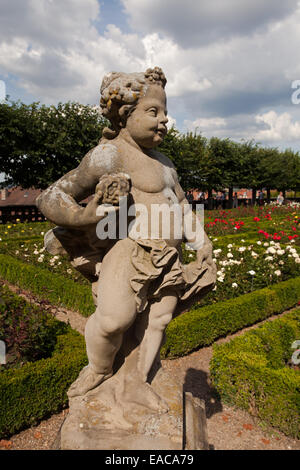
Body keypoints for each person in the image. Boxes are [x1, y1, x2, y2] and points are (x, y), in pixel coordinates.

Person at [36, 67, 216, 408]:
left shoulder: (165, 163)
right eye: (153, 112)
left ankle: (136, 382)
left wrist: (200, 241)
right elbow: (51, 196)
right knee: (114, 320)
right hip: (130, 250)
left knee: (157, 322)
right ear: (124, 114)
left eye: (165, 111)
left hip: (169, 259)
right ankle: (99, 369)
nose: (164, 119)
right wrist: (86, 216)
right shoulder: (110, 154)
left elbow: (181, 205)